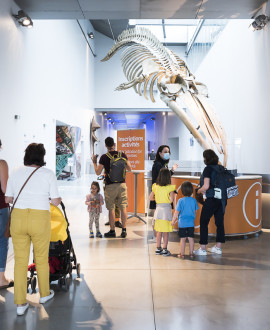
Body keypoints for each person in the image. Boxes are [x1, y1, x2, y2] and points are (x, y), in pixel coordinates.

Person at [5, 143, 61, 316]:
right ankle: (44, 294)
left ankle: (21, 304)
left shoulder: (15, 172)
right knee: (41, 258)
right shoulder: (48, 174)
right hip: (39, 219)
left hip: (19, 219)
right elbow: (56, 201)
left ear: (26, 156)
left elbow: (8, 198)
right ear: (42, 157)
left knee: (20, 261)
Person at [91, 137, 132, 238]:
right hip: (122, 185)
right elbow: (130, 169)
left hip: (110, 186)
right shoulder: (122, 154)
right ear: (114, 144)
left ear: (106, 145)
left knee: (111, 209)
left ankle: (112, 231)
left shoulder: (104, 157)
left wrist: (94, 162)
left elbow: (98, 172)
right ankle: (124, 230)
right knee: (123, 208)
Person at [194, 149, 226, 256]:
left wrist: (198, 190)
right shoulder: (221, 168)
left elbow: (206, 186)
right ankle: (218, 247)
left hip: (211, 199)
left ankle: (203, 248)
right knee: (219, 223)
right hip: (222, 200)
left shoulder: (208, 169)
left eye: (204, 157)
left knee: (203, 222)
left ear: (206, 158)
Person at [149, 168, 176, 256]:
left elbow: (150, 198)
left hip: (158, 210)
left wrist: (157, 199)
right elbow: (171, 200)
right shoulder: (170, 188)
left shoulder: (155, 186)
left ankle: (158, 248)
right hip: (166, 210)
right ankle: (165, 249)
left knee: (159, 231)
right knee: (166, 231)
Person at [171, 181, 199, 259]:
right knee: (191, 239)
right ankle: (191, 254)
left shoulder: (180, 201)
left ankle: (182, 254)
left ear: (182, 191)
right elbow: (196, 211)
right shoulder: (194, 200)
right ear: (191, 191)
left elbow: (176, 213)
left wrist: (173, 221)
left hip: (182, 223)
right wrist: (193, 217)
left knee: (182, 239)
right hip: (191, 223)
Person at [0, 139, 14, 290]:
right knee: (2, 242)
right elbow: (5, 189)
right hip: (0, 209)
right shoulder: (1, 164)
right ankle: (1, 279)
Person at [150, 145, 178, 210]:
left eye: (168, 152)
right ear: (160, 153)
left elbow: (165, 177)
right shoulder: (157, 165)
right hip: (160, 192)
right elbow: (162, 178)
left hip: (163, 192)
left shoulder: (164, 164)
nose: (167, 153)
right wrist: (172, 170)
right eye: (165, 152)